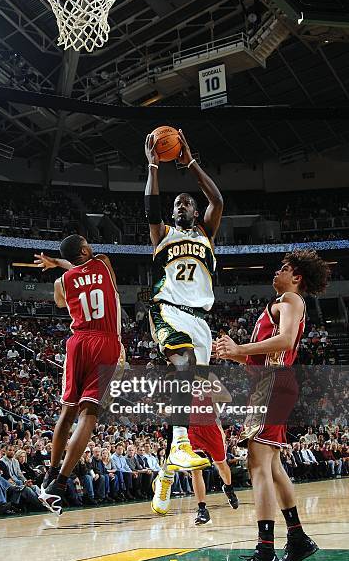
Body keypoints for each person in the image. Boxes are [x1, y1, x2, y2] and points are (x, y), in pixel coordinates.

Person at [216, 250, 330, 561]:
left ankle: (265, 553)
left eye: (283, 268)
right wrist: (232, 354)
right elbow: (258, 359)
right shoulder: (278, 306)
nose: (276, 272)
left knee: (258, 464)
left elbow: (287, 339)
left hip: (273, 384)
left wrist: (239, 348)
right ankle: (297, 539)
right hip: (268, 382)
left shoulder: (291, 300)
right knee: (274, 466)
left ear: (296, 277)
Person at [144, 129, 224, 516]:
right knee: (182, 362)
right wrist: (154, 168)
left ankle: (165, 474)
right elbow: (150, 209)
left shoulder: (208, 231)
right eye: (176, 203)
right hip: (168, 309)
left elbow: (218, 199)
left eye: (186, 203)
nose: (180, 206)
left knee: (193, 400)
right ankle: (176, 444)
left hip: (201, 323)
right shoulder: (162, 233)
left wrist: (189, 162)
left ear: (196, 212)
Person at [33, 235, 125, 514]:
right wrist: (61, 262)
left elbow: (62, 300)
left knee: (67, 412)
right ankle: (60, 485)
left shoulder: (61, 282)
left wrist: (59, 265)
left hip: (77, 343)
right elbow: (80, 264)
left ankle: (51, 472)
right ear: (86, 250)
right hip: (105, 341)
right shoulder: (103, 264)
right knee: (89, 415)